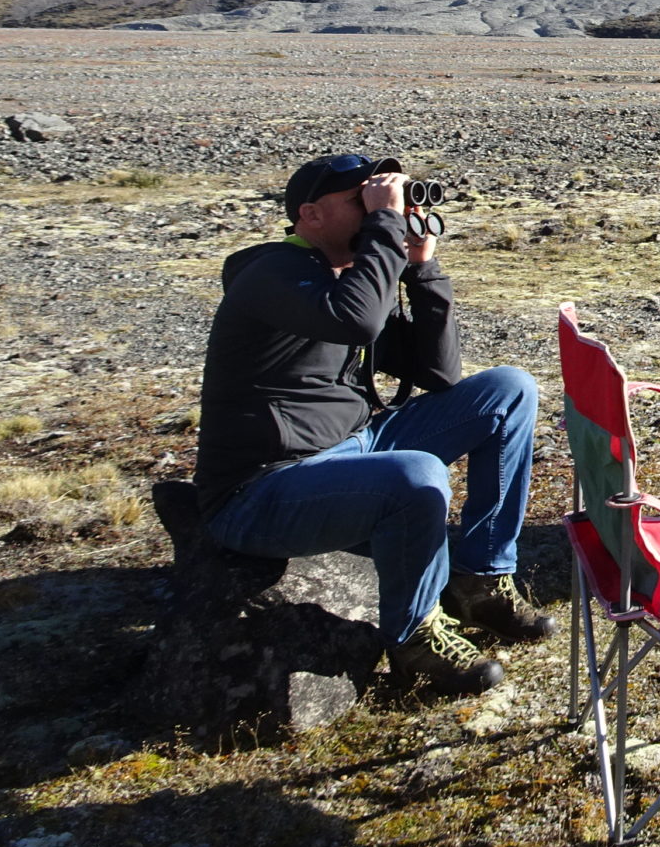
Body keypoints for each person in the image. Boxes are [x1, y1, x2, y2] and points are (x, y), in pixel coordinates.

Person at [194, 153, 554, 696]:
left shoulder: (356, 276)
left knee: (509, 389)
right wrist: (385, 226)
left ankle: (481, 580)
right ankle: (414, 637)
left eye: (378, 200)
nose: (376, 210)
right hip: (262, 490)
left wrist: (422, 268)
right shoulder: (270, 271)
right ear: (309, 216)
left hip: (353, 446)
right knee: (416, 475)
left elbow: (438, 373)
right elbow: (357, 318)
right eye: (358, 202)